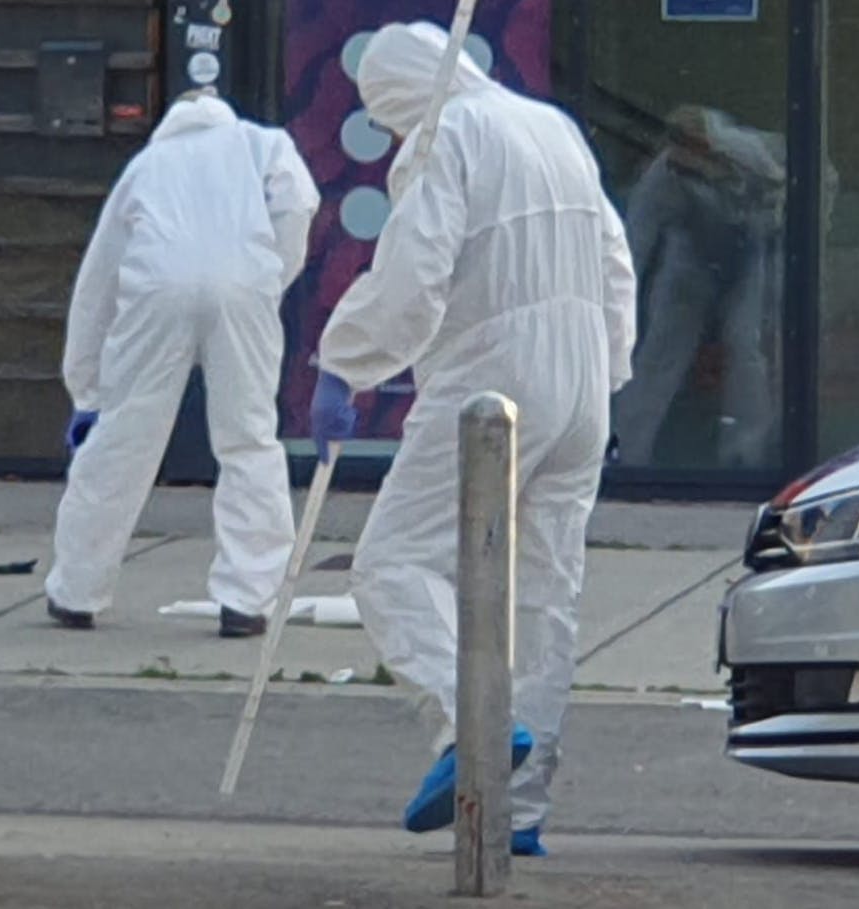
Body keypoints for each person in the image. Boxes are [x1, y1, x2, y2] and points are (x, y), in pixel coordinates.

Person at [308, 22, 637, 856]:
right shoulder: (551, 126)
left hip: (492, 374)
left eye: (386, 117)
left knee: (393, 560)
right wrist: (610, 366)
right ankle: (517, 811)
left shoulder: (446, 133)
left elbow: (412, 278)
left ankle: (472, 729)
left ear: (401, 97)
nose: (390, 136)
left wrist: (345, 363)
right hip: (582, 383)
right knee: (544, 596)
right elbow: (614, 259)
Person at [45, 87, 320, 638]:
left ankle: (77, 589)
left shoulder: (147, 164)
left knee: (124, 437)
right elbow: (299, 202)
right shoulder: (262, 143)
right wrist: (270, 275)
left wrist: (87, 389)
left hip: (157, 287)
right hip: (243, 285)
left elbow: (98, 280)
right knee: (248, 438)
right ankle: (248, 598)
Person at [612, 106, 786, 468]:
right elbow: (636, 243)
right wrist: (619, 297)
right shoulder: (662, 176)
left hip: (751, 253)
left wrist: (790, 227)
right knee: (659, 353)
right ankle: (628, 451)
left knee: (745, 345)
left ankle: (747, 453)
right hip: (690, 260)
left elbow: (814, 178)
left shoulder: (750, 153)